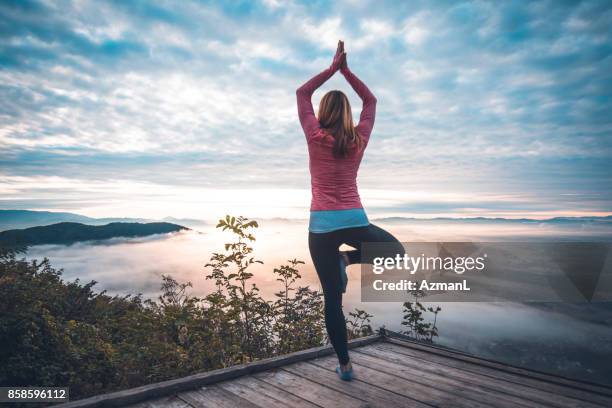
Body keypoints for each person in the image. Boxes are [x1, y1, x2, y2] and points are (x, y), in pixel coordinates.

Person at [296, 40, 404, 381]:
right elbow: (370, 101)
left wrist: (332, 70)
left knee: (332, 302)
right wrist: (348, 72)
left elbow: (302, 93)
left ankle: (345, 366)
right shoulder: (359, 138)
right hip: (355, 221)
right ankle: (350, 259)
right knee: (396, 252)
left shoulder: (315, 136)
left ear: (324, 112)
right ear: (347, 114)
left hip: (321, 228)